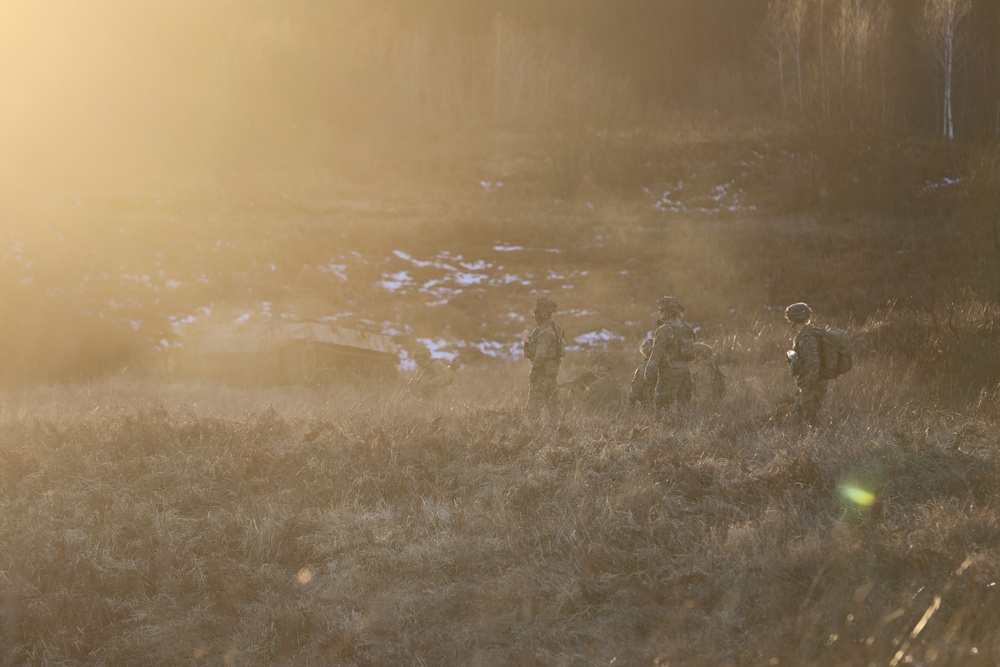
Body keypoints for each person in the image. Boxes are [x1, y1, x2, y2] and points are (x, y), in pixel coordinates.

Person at [644, 296, 696, 421]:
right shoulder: (687, 327)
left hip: (670, 371)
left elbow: (655, 355)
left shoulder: (664, 329)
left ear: (669, 312)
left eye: (661, 310)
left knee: (661, 403)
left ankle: (659, 431)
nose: (659, 313)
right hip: (685, 370)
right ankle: (688, 431)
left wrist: (648, 372)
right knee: (684, 403)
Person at [524, 297, 565, 426]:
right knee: (553, 405)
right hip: (551, 373)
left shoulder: (544, 331)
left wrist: (534, 370)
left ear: (543, 313)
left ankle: (533, 433)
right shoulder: (555, 329)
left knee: (534, 405)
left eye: (536, 313)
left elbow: (541, 353)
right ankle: (555, 431)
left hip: (542, 373)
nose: (534, 316)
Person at [784, 302, 826, 425]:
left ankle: (815, 441)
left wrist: (807, 386)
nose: (789, 320)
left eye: (790, 317)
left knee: (809, 420)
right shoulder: (809, 333)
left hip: (812, 384)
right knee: (800, 416)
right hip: (810, 383)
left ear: (794, 318)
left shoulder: (807, 338)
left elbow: (813, 365)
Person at [690, 342, 726, 410]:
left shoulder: (705, 369)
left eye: (696, 354)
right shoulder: (709, 366)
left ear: (701, 355)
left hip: (705, 408)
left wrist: (700, 411)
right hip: (712, 405)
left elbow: (704, 393)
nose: (694, 356)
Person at [629, 338, 656, 408]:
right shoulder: (667, 367)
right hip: (667, 407)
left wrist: (630, 408)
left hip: (648, 406)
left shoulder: (643, 369)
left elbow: (635, 391)